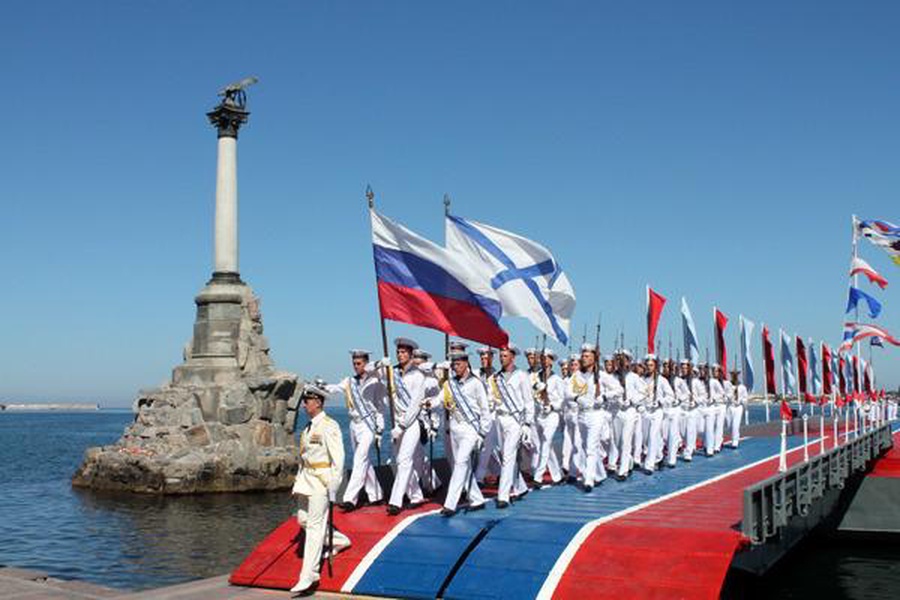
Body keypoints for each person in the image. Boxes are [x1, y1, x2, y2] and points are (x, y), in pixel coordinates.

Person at [290, 384, 351, 596]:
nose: (305, 404)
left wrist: (334, 487)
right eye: (305, 401)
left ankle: (309, 575)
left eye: (308, 401)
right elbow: (305, 459)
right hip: (307, 481)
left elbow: (339, 459)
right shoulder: (308, 427)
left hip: (321, 482)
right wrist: (298, 481)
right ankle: (340, 540)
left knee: (315, 528)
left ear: (318, 402)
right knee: (303, 520)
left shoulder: (329, 425)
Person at [323, 350, 386, 511]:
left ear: (366, 363)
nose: (356, 366)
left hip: (368, 425)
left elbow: (380, 406)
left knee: (359, 459)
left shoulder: (375, 381)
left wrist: (380, 429)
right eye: (354, 363)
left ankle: (350, 499)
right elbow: (335, 388)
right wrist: (321, 386)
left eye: (359, 363)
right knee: (365, 461)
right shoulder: (349, 381)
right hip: (354, 425)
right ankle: (376, 494)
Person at [378, 338, 426, 516]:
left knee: (404, 461)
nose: (400, 354)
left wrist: (403, 425)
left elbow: (415, 405)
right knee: (400, 461)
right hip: (396, 423)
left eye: (404, 352)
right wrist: (379, 364)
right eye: (398, 352)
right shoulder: (392, 373)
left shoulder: (418, 376)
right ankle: (416, 495)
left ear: (411, 355)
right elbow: (368, 372)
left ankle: (395, 501)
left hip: (410, 424)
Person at [441, 350, 490, 516]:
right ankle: (477, 499)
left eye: (459, 363)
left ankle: (450, 504)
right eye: (454, 364)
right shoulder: (449, 384)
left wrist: (482, 434)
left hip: (470, 429)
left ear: (466, 363)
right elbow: (440, 399)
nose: (456, 367)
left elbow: (485, 409)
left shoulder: (476, 383)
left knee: (461, 462)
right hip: (455, 429)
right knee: (463, 466)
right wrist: (427, 403)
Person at [488, 344, 535, 508]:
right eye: (501, 356)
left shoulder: (521, 376)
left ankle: (503, 495)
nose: (502, 358)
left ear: (513, 357)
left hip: (515, 421)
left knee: (508, 456)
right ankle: (520, 487)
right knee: (506, 456)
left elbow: (529, 401)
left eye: (505, 355)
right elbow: (490, 397)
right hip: (500, 419)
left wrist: (527, 424)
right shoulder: (495, 377)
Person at [566, 343, 608, 491]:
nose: (583, 358)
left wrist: (604, 397)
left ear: (594, 358)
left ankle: (588, 480)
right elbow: (567, 393)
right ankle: (600, 474)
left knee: (591, 447)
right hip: (581, 414)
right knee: (586, 446)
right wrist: (577, 398)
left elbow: (619, 390)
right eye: (582, 356)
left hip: (596, 414)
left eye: (587, 356)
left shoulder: (601, 375)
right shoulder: (576, 376)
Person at [533, 349, 564, 485]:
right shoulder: (535, 377)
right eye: (542, 358)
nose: (544, 361)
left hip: (552, 415)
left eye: (547, 358)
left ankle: (538, 476)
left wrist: (552, 406)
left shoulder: (556, 379)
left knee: (545, 443)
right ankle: (558, 475)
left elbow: (562, 400)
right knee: (545, 446)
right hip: (539, 415)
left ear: (551, 361)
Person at [475, 346, 500, 484]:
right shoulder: (476, 374)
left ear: (492, 358)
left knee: (486, 448)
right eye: (482, 358)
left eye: (487, 358)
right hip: (478, 415)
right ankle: (499, 472)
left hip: (493, 415)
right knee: (486, 448)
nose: (484, 360)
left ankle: (479, 478)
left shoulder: (497, 376)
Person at [641, 354, 670, 473]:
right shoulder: (641, 380)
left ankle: (650, 465)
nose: (649, 367)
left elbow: (670, 396)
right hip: (645, 411)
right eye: (647, 365)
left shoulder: (662, 380)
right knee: (647, 438)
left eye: (651, 365)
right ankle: (659, 457)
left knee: (653, 436)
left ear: (655, 366)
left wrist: (660, 402)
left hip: (657, 411)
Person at [561, 352, 583, 481]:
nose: (573, 367)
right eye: (572, 365)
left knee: (577, 443)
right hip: (568, 414)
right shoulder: (567, 380)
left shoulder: (582, 379)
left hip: (578, 413)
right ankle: (566, 466)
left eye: (575, 364)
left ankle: (574, 471)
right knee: (567, 441)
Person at [660, 359, 682, 468]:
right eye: (665, 367)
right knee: (663, 435)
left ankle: (672, 459)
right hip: (664, 410)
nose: (666, 369)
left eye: (668, 367)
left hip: (674, 410)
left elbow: (686, 393)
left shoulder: (678, 380)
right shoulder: (661, 380)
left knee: (673, 434)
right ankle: (663, 454)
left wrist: (679, 399)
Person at [674, 360, 697, 462]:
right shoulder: (677, 380)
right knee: (682, 432)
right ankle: (683, 446)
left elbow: (702, 395)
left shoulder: (695, 382)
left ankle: (688, 452)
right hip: (681, 409)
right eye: (682, 368)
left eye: (685, 368)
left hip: (691, 410)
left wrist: (695, 401)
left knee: (690, 432)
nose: (683, 370)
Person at [710, 364, 727, 453]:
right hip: (713, 406)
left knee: (719, 426)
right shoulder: (710, 381)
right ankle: (714, 443)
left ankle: (717, 446)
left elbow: (724, 394)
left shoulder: (724, 383)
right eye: (713, 371)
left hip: (721, 405)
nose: (714, 372)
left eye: (716, 371)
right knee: (711, 426)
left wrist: (715, 397)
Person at [727, 369, 746, 448]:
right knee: (730, 425)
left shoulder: (742, 387)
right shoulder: (728, 386)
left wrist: (741, 401)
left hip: (738, 407)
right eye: (732, 374)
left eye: (736, 374)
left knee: (736, 424)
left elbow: (745, 398)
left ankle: (735, 441)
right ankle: (735, 435)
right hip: (730, 406)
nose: (734, 376)